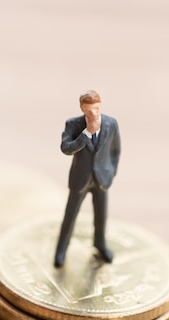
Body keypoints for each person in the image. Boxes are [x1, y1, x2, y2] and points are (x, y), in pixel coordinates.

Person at [54, 90, 121, 267]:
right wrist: (85, 134)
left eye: (97, 109)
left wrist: (111, 172)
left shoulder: (111, 124)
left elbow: (116, 151)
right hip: (80, 179)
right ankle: (61, 249)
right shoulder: (73, 124)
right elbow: (66, 148)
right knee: (70, 216)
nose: (94, 113)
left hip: (101, 179)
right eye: (89, 110)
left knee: (101, 216)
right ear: (82, 108)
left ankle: (100, 244)